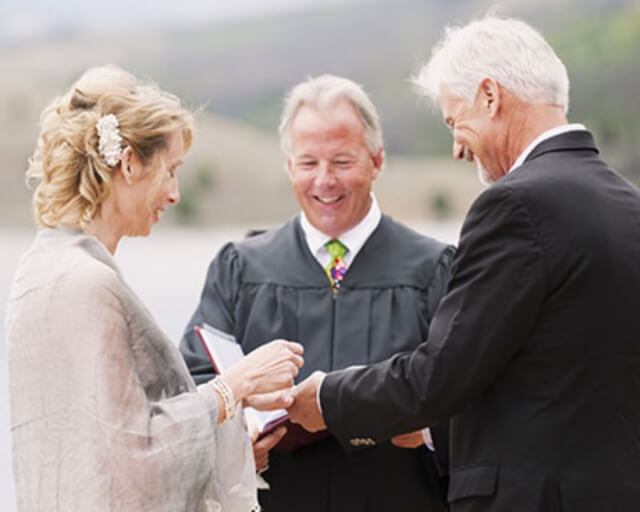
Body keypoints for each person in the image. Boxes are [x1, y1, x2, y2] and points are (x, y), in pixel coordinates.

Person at [287, 16, 640, 511]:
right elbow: (555, 375)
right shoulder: (628, 203)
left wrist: (326, 398)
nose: (456, 147)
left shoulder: (517, 205)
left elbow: (441, 373)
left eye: (455, 121)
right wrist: (433, 431)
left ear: (490, 96)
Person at [5, 65, 304, 512]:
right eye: (170, 171)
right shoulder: (88, 283)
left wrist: (230, 439)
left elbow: (94, 443)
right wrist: (234, 387)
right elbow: (132, 459)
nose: (175, 193)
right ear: (129, 164)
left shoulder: (40, 267)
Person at [180, 74, 454, 511]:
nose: (324, 181)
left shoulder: (434, 270)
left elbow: (469, 394)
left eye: (342, 162)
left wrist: (425, 430)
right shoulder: (240, 268)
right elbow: (194, 386)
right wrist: (242, 433)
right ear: (289, 166)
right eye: (308, 163)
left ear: (377, 161)